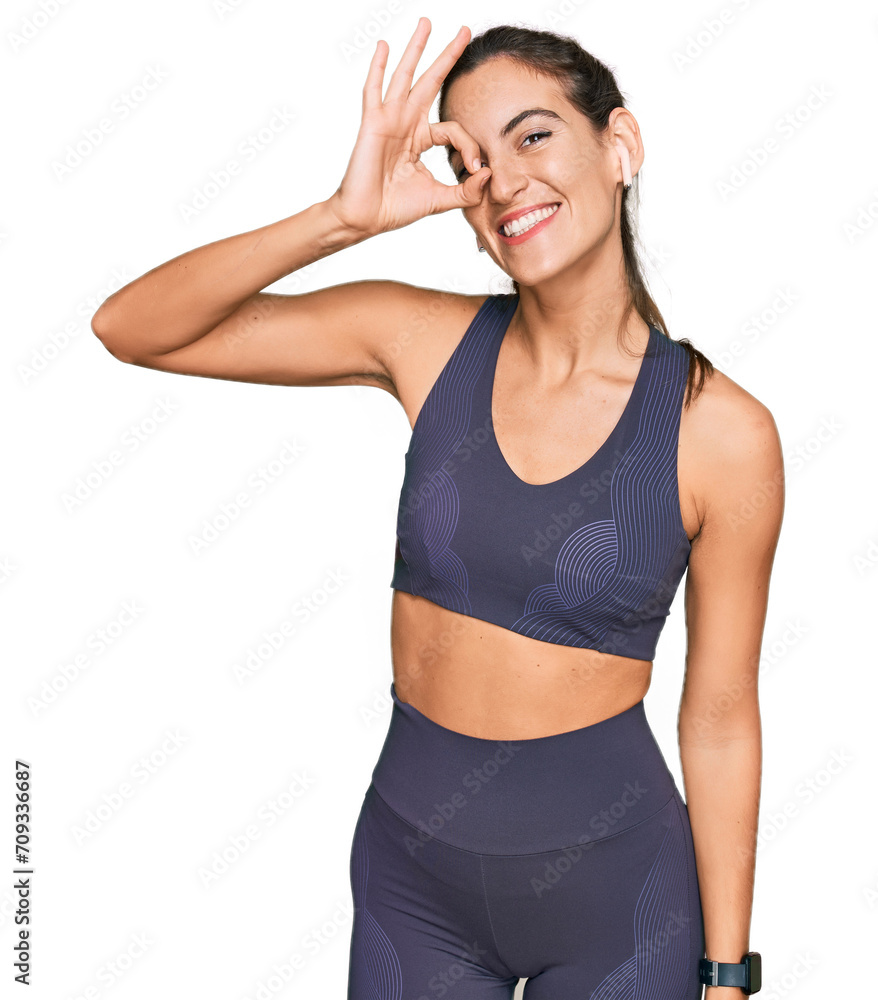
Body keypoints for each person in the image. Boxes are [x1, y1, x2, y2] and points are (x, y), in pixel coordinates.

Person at [91, 17, 784, 999]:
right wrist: (341, 218)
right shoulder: (421, 340)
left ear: (619, 144)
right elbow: (133, 327)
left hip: (618, 905)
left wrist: (727, 973)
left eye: (533, 135)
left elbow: (718, 717)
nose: (504, 183)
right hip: (413, 888)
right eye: (470, 162)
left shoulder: (722, 433)